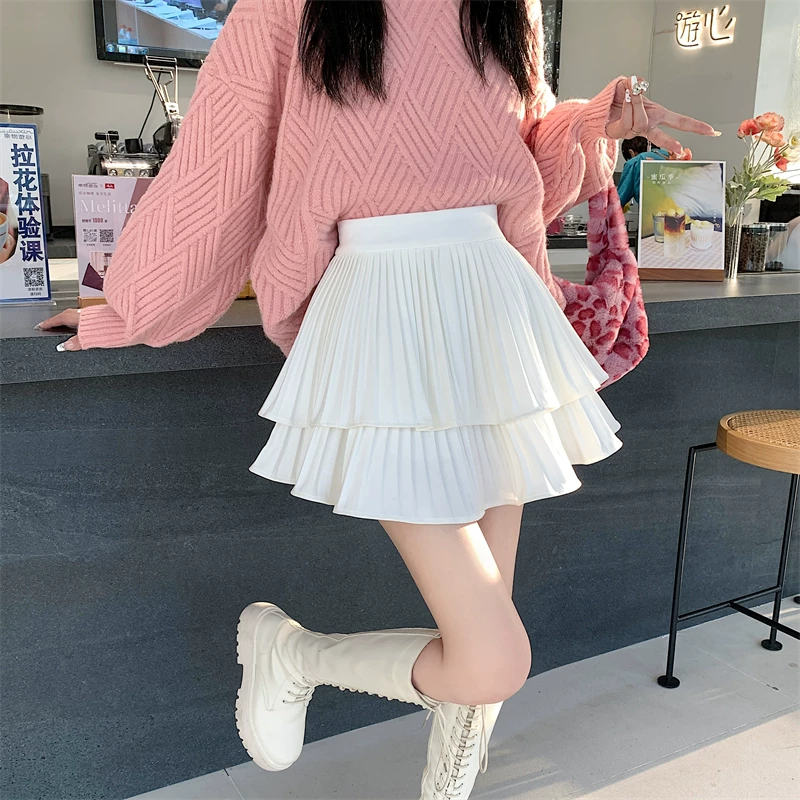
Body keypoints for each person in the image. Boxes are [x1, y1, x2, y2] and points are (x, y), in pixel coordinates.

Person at [36, 1, 717, 797]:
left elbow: (525, 148)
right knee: (493, 657)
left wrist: (593, 120)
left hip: (496, 296)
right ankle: (292, 654)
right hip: (382, 301)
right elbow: (219, 166)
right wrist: (130, 310)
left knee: (487, 622)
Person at [617, 135, 669, 207]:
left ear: (631, 152)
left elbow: (618, 201)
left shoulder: (636, 161)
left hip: (652, 212)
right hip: (679, 210)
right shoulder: (670, 157)